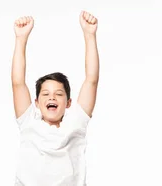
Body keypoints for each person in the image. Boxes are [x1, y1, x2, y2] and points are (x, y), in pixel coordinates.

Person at [11, 11, 100, 186]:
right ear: (36, 103)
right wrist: (20, 40)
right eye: (45, 94)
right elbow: (17, 83)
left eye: (58, 94)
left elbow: (92, 80)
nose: (52, 97)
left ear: (68, 103)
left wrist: (90, 35)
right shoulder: (29, 121)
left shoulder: (76, 123)